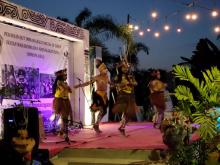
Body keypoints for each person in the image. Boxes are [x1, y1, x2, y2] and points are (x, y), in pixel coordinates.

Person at [74, 59, 110, 133]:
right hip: (98, 95)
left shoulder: (106, 77)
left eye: (106, 69)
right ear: (101, 70)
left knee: (104, 112)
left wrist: (118, 85)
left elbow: (111, 83)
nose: (106, 70)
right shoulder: (97, 77)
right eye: (104, 69)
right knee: (102, 110)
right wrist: (79, 85)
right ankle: (96, 125)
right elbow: (88, 83)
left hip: (104, 96)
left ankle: (96, 124)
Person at [112, 59, 139, 136]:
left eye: (126, 68)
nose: (126, 69)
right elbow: (113, 85)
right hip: (123, 95)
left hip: (130, 96)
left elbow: (136, 83)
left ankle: (122, 127)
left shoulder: (130, 76)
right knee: (126, 112)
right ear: (121, 68)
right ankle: (122, 127)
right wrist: (121, 85)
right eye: (124, 67)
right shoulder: (118, 77)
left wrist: (131, 83)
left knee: (130, 114)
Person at [52, 68, 73, 138]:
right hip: (60, 101)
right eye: (65, 75)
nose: (66, 76)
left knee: (66, 116)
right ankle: (64, 133)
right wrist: (65, 87)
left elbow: (70, 91)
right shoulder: (58, 82)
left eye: (66, 75)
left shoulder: (65, 83)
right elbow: (62, 90)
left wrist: (68, 88)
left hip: (66, 100)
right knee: (64, 117)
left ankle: (62, 132)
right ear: (61, 76)